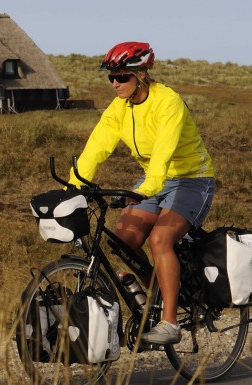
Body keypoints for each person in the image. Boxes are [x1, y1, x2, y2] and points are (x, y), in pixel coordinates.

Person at [70, 41, 215, 345]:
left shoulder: (168, 102)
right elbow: (97, 147)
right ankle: (159, 293)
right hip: (154, 179)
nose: (115, 84)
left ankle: (170, 322)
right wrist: (74, 185)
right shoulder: (119, 108)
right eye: (111, 77)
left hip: (192, 179)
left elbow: (163, 154)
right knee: (123, 240)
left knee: (161, 239)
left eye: (122, 77)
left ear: (142, 75)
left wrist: (142, 192)